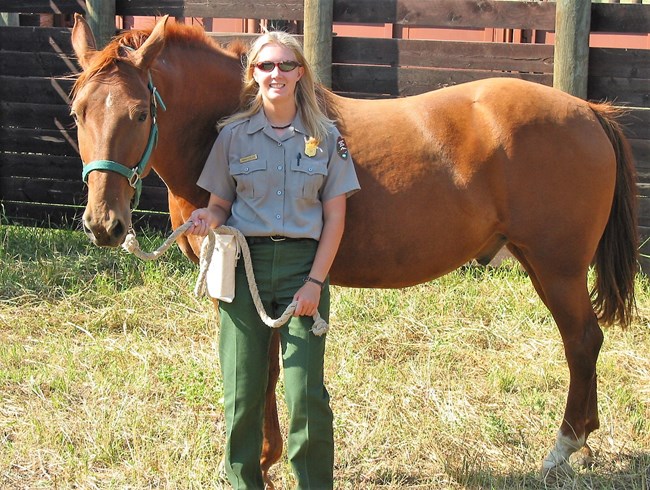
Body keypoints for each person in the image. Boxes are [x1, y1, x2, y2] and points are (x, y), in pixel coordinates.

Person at [186, 30, 360, 489]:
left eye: (285, 65)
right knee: (242, 393)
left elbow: (335, 220)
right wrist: (208, 214)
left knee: (305, 395)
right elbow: (220, 203)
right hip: (245, 268)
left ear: (300, 72)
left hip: (304, 271)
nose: (276, 73)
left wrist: (315, 283)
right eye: (266, 65)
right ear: (253, 74)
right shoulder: (232, 137)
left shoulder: (326, 138)